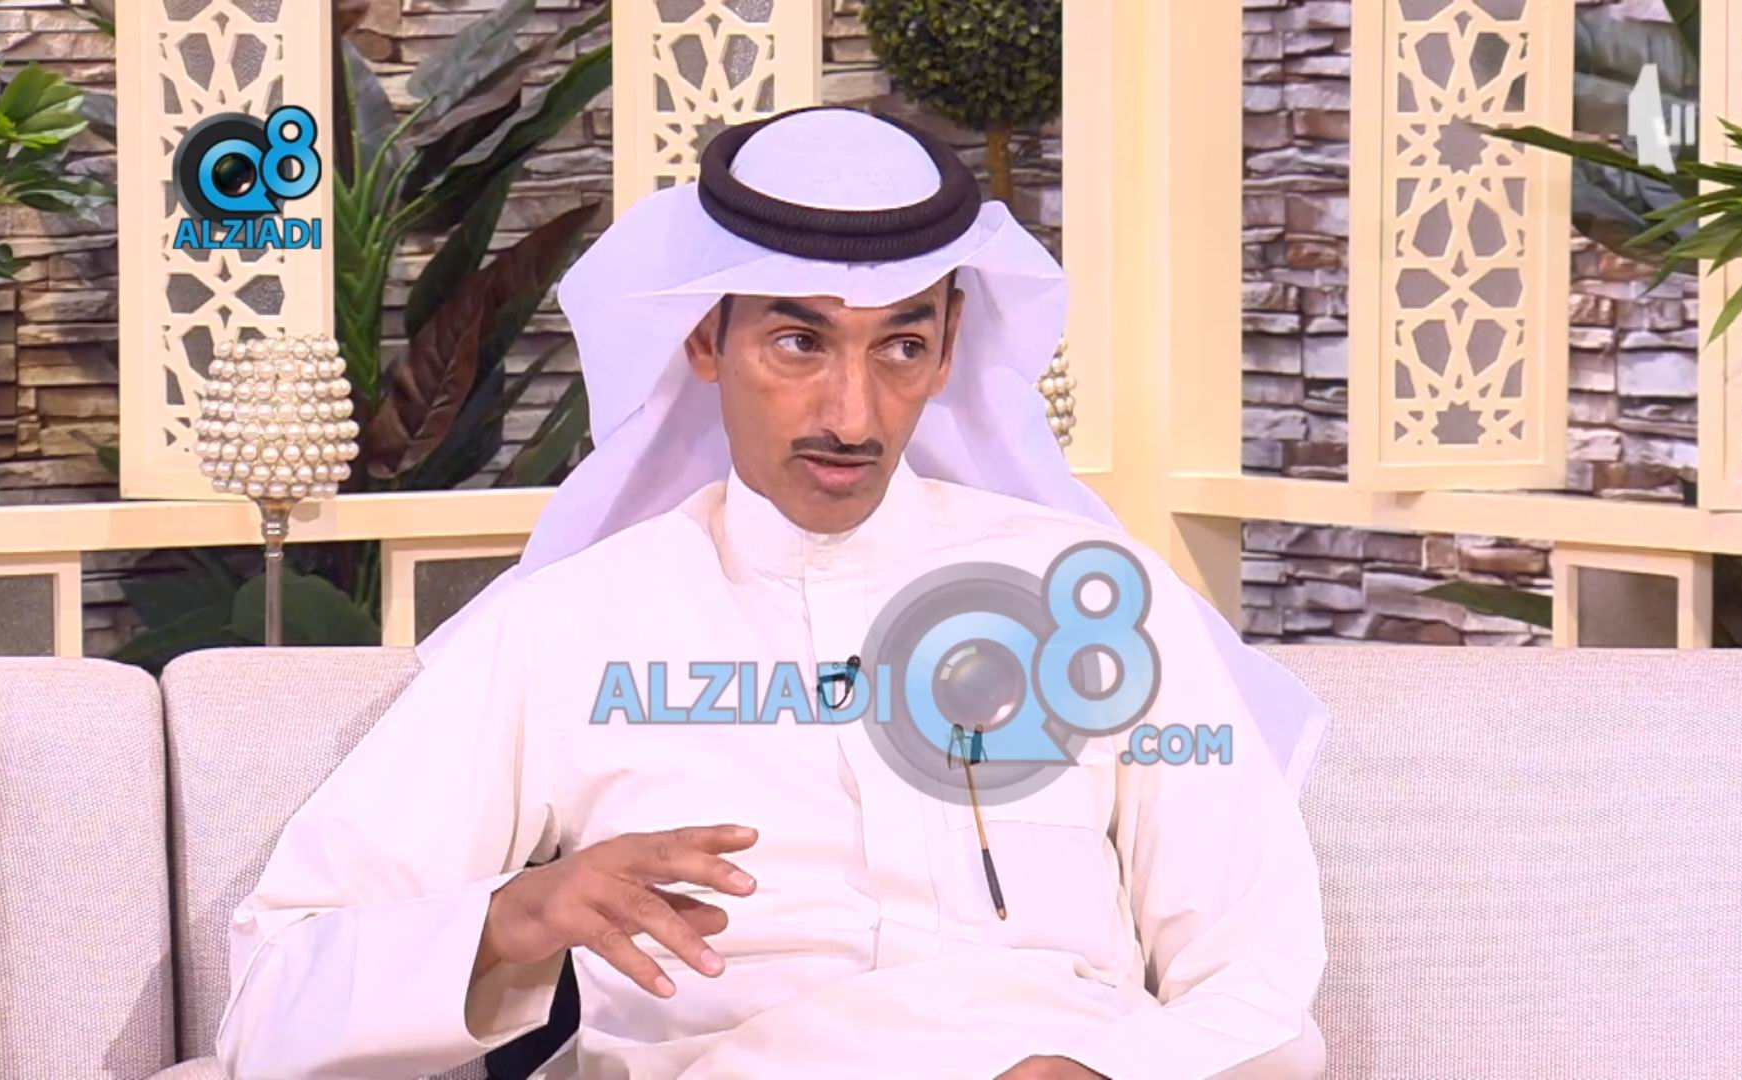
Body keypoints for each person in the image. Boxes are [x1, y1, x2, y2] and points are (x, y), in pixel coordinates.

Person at [216, 106, 1329, 1080]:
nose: (853, 414)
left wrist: (1111, 1069)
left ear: (948, 352)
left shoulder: (1097, 601)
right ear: (707, 340)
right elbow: (271, 995)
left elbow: (1258, 976)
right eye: (800, 342)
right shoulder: (567, 628)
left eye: (901, 346)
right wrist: (514, 916)